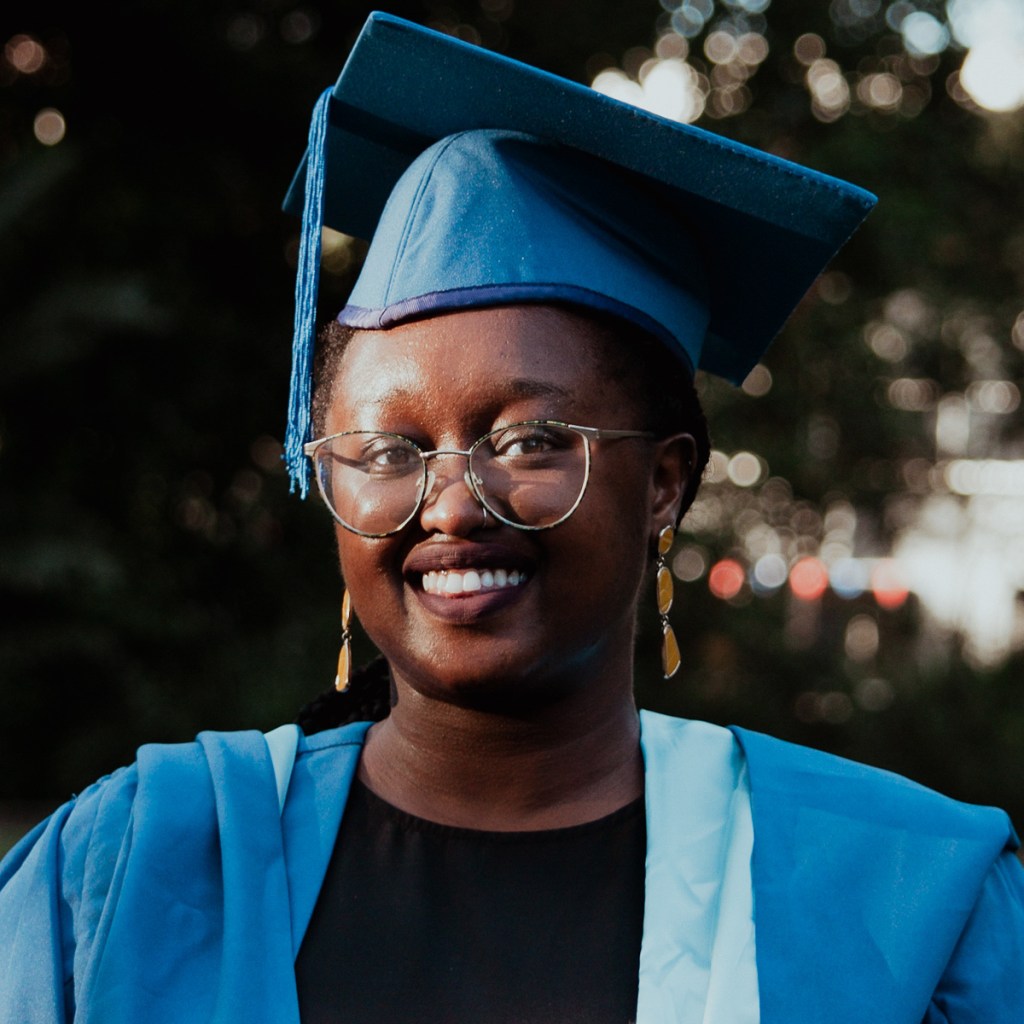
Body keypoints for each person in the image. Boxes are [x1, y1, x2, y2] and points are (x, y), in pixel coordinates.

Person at [1, 12, 1022, 1023]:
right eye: (387, 452)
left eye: (530, 440)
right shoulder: (130, 868)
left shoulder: (903, 904)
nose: (449, 503)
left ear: (665, 481)